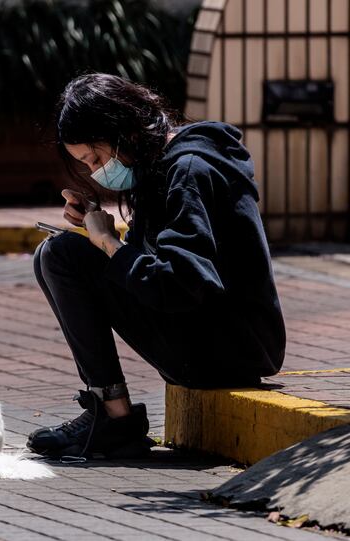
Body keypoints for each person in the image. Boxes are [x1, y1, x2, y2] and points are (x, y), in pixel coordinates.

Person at [27, 73, 286, 460]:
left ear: (125, 131)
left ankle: (114, 418)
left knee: (62, 256)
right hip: (232, 340)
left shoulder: (188, 172)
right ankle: (110, 412)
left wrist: (110, 244)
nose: (97, 171)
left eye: (96, 158)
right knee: (56, 253)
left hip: (228, 350)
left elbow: (179, 284)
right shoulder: (167, 163)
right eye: (87, 165)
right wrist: (99, 226)